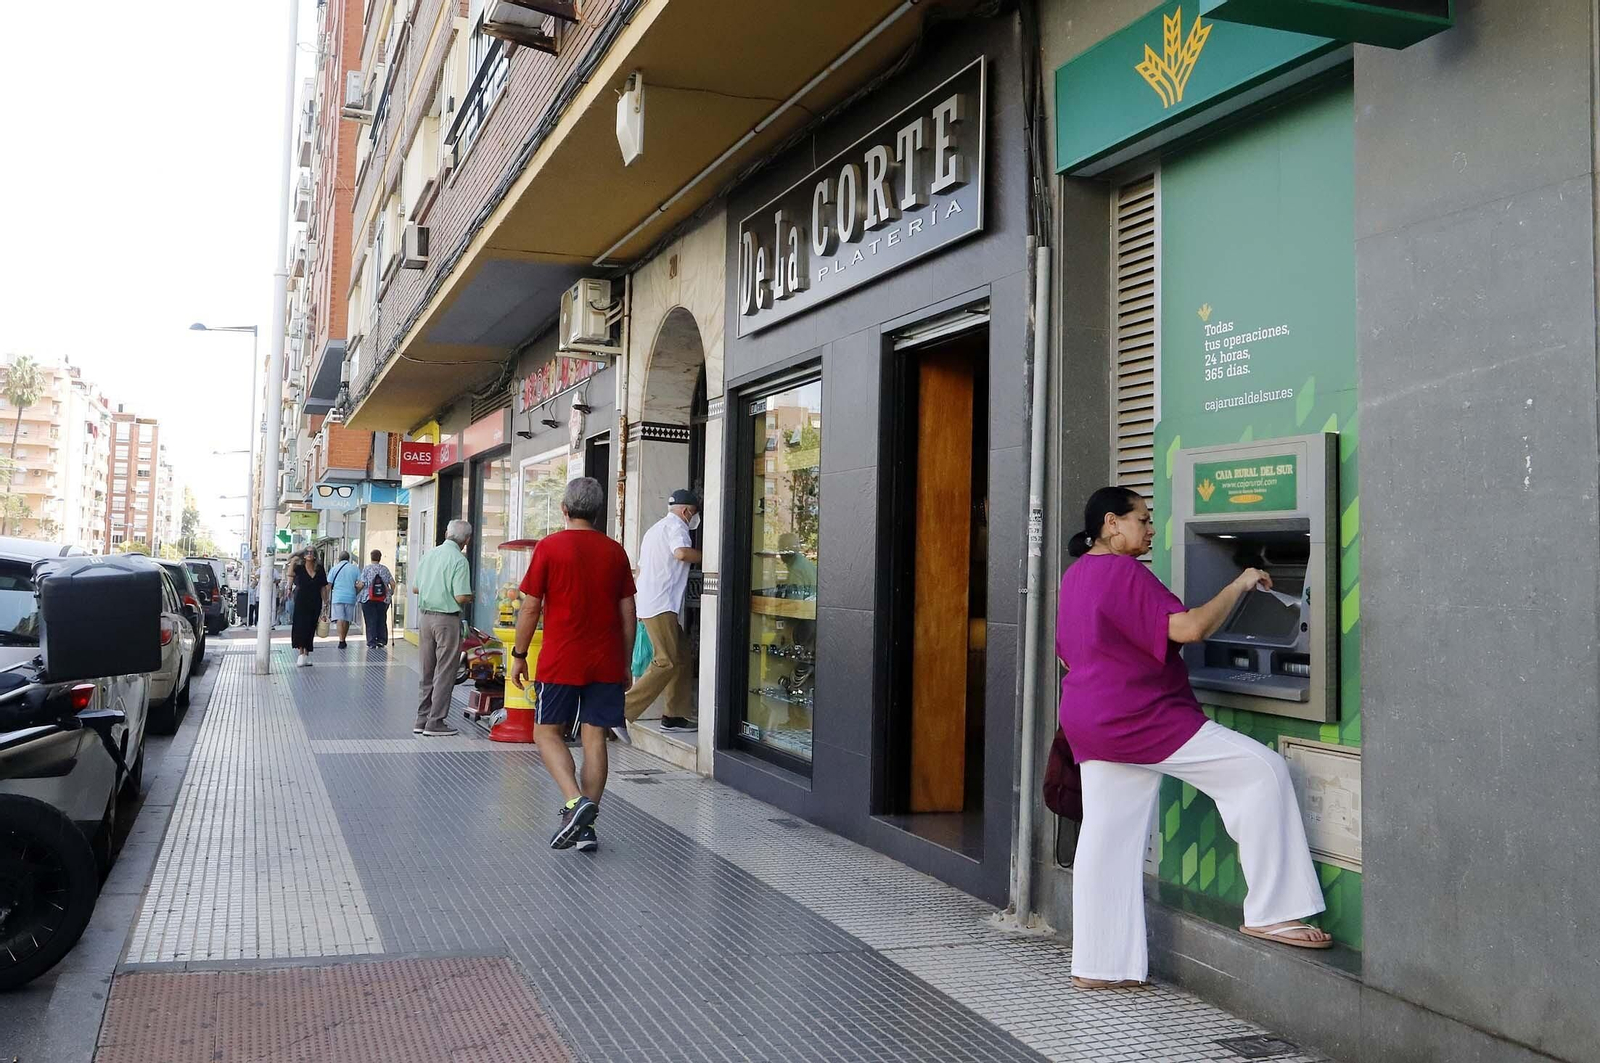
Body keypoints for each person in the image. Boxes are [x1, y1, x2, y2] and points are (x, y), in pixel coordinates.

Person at [1057, 487, 1331, 990]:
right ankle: (1273, 911)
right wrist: (1242, 583)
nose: (1152, 529)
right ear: (1112, 524)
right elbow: (1191, 629)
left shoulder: (1076, 577)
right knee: (1260, 772)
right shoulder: (1123, 573)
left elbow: (1072, 651)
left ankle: (1099, 965)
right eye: (1144, 519)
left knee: (1106, 836)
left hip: (1090, 717)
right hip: (1144, 717)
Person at [507, 478, 636, 853]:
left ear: (564, 509)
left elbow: (530, 606)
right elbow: (628, 610)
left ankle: (574, 802)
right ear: (597, 512)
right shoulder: (615, 552)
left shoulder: (549, 547)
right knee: (595, 738)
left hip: (561, 659)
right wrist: (624, 662)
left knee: (546, 733)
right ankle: (587, 827)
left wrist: (518, 654)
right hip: (606, 659)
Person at [623, 489, 700, 732]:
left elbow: (640, 569)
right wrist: (711, 558)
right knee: (666, 661)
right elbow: (680, 553)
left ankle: (674, 716)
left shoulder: (655, 529)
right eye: (694, 514)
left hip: (651, 603)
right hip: (661, 604)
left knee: (682, 657)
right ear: (686, 511)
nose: (694, 520)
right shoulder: (677, 526)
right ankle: (621, 709)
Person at [412, 520, 473, 737]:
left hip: (425, 619)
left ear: (447, 533)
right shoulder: (459, 560)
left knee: (427, 671)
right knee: (445, 671)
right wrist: (472, 597)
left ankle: (421, 719)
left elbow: (416, 588)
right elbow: (460, 596)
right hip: (447, 620)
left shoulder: (429, 555)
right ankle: (435, 722)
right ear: (467, 540)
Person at [289, 550, 328, 667]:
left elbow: (323, 587)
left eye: (312, 552)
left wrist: (326, 602)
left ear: (315, 555)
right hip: (301, 600)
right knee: (301, 626)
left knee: (311, 627)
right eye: (307, 552)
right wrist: (293, 561)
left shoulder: (319, 569)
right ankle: (301, 653)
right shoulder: (299, 568)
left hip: (315, 601)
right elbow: (290, 575)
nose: (309, 554)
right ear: (304, 555)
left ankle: (306, 654)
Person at [356, 549, 394, 648]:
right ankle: (382, 640)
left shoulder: (367, 569)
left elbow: (362, 584)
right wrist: (391, 592)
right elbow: (392, 583)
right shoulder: (385, 569)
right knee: (382, 619)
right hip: (383, 599)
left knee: (370, 620)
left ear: (371, 557)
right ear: (380, 557)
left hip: (368, 599)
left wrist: (356, 591)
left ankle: (372, 642)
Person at [327, 550, 361, 648]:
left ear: (339, 559)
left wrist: (326, 599)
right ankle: (344, 638)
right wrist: (356, 592)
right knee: (347, 620)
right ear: (348, 558)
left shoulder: (334, 569)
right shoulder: (355, 569)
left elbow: (329, 585)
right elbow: (360, 583)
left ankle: (341, 640)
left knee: (340, 619)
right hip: (350, 597)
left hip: (337, 597)